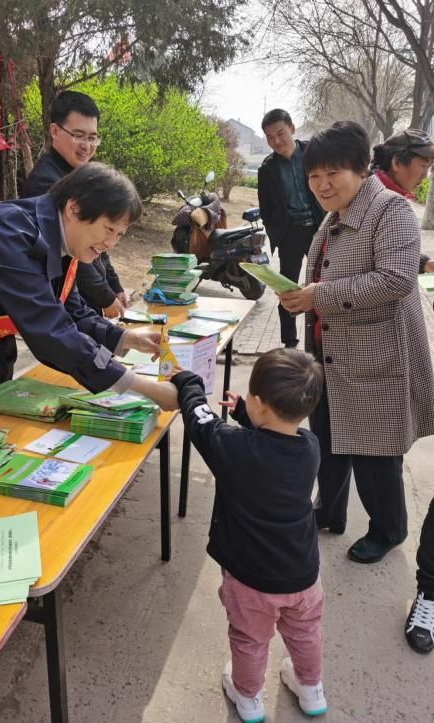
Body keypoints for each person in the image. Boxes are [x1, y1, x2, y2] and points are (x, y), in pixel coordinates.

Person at [0, 163, 176, 422]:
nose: (111, 243)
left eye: (120, 234)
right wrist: (144, 388)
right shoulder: (4, 232)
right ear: (73, 208)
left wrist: (125, 338)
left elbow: (70, 310)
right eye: (109, 229)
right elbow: (50, 330)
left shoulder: (61, 239)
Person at [279, 121, 434, 565]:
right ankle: (329, 510)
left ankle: (388, 530)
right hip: (329, 351)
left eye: (333, 173)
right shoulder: (335, 215)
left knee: (373, 452)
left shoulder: (391, 212)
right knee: (327, 438)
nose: (322, 185)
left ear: (362, 168)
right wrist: (300, 298)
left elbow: (397, 279)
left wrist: (317, 296)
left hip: (376, 355)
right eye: (314, 176)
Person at [168, 349, 327, 722]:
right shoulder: (310, 447)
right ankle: (311, 688)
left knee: (250, 640)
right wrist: (245, 414)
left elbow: (200, 421)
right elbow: (273, 440)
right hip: (303, 574)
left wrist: (187, 382)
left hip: (252, 580)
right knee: (305, 634)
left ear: (261, 403)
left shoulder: (236, 449)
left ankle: (248, 697)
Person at [371, 128, 434, 654]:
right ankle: (387, 530)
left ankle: (387, 528)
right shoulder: (385, 201)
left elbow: (391, 265)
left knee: (384, 441)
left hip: (390, 335)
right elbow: (382, 270)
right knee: (378, 440)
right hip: (377, 338)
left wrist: (418, 265)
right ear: (398, 160)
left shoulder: (397, 203)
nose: (427, 173)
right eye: (422, 164)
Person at [21, 90, 128, 318]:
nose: (86, 146)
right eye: (79, 135)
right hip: (67, 301)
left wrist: (115, 285)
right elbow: (74, 253)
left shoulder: (83, 177)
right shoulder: (47, 183)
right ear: (55, 131)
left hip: (84, 300)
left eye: (92, 137)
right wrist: (105, 297)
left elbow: (97, 240)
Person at [258, 109, 324, 348]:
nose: (275, 141)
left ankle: (324, 336)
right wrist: (278, 232)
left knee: (325, 283)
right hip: (291, 234)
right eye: (269, 137)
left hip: (320, 227)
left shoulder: (313, 154)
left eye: (280, 133)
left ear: (292, 128)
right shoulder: (267, 169)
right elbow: (265, 208)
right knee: (286, 288)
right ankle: (290, 343)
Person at [371, 128, 434, 275]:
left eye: (429, 167)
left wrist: (423, 264)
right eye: (423, 166)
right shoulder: (373, 197)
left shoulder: (386, 193)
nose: (425, 175)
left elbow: (383, 249)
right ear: (397, 163)